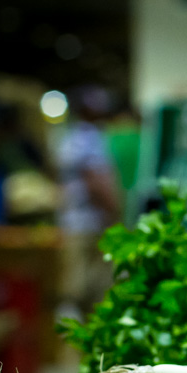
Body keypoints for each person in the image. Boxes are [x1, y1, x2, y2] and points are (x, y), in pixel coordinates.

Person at [56, 85, 120, 317]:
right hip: (90, 220)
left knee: (75, 277)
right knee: (91, 283)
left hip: (72, 219)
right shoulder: (90, 138)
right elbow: (95, 180)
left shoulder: (69, 138)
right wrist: (113, 210)